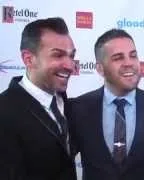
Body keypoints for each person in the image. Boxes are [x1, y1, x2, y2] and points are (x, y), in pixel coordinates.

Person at [70, 29, 144, 179]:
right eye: (118, 58)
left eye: (133, 55)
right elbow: (60, 165)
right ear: (100, 69)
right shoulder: (78, 108)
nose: (129, 63)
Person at [0, 17, 77, 180]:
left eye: (71, 56)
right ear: (28, 59)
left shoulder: (69, 105)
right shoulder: (4, 112)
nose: (70, 66)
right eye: (58, 55)